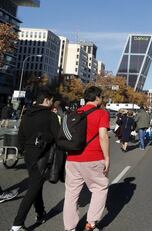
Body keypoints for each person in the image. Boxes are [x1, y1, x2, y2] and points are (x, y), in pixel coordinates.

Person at [10, 89, 60, 231]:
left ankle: (40, 213)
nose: (52, 103)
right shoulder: (50, 116)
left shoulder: (27, 114)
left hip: (28, 155)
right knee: (33, 188)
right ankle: (17, 224)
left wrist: (23, 150)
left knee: (36, 185)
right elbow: (58, 137)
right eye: (50, 100)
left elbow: (21, 136)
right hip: (43, 156)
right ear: (46, 100)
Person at [63, 86, 110, 231]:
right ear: (97, 97)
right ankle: (91, 223)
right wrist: (107, 157)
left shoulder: (74, 112)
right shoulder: (101, 113)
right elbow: (103, 136)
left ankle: (69, 227)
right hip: (93, 157)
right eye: (101, 97)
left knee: (71, 193)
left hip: (72, 158)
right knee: (99, 188)